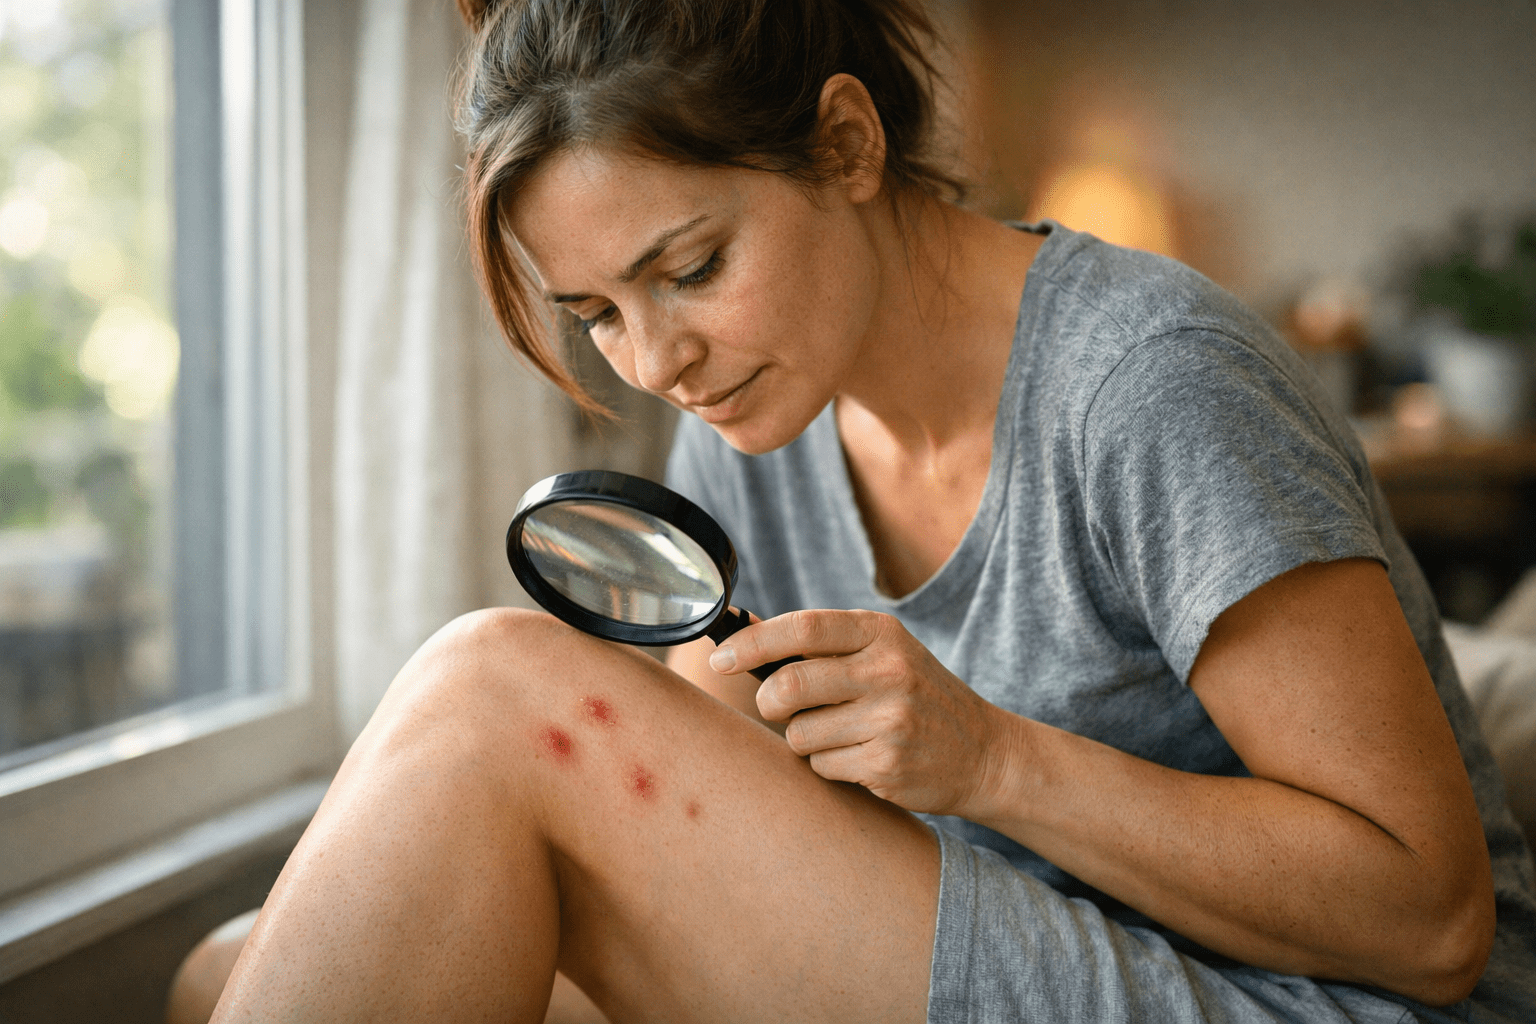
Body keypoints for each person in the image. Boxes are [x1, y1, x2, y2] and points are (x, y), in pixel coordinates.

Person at [210, 1, 1536, 1021]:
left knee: (491, 687)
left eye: (690, 267)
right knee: (228, 972)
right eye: (598, 313)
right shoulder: (746, 414)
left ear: (847, 144)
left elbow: (1430, 918)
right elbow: (722, 779)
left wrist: (993, 761)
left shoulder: (1152, 386)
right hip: (1014, 933)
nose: (655, 358)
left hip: (1321, 998)